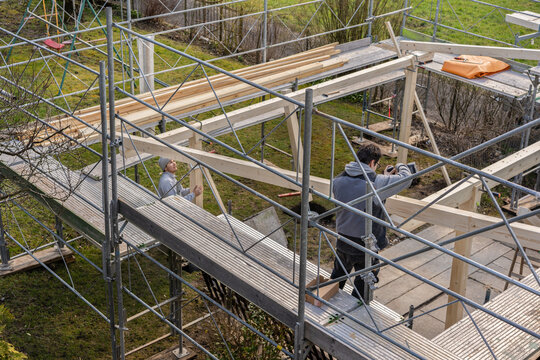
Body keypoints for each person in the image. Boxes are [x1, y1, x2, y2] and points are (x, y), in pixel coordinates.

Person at [330, 143, 412, 300]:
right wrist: (401, 165)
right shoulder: (376, 183)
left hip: (343, 239)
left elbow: (356, 192)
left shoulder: (337, 180)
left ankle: (326, 302)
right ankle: (357, 314)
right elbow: (406, 179)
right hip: (366, 244)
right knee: (364, 283)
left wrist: (383, 176)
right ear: (372, 163)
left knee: (338, 276)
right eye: (377, 165)